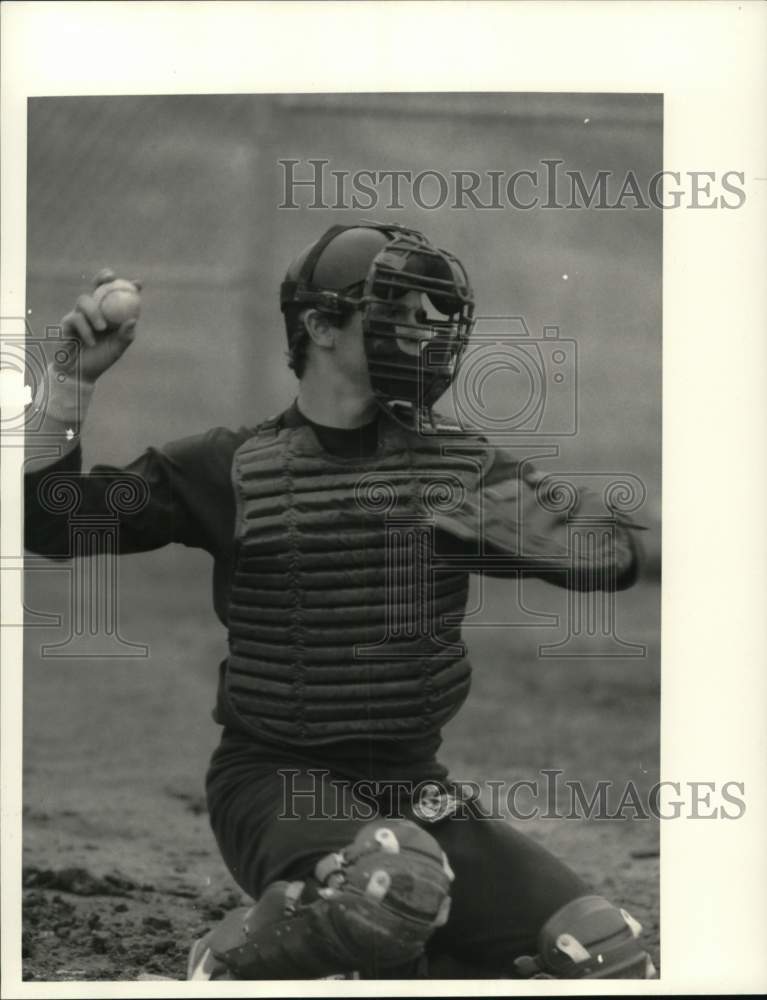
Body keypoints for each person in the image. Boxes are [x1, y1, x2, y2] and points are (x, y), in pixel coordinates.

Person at [25, 221, 655, 980]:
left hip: (413, 790)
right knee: (390, 887)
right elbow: (52, 522)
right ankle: (231, 960)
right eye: (397, 309)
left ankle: (390, 953)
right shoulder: (231, 466)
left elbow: (611, 552)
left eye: (434, 313)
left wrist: (594, 538)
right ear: (319, 326)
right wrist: (70, 382)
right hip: (273, 784)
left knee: (600, 951)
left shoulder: (460, 467)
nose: (424, 330)